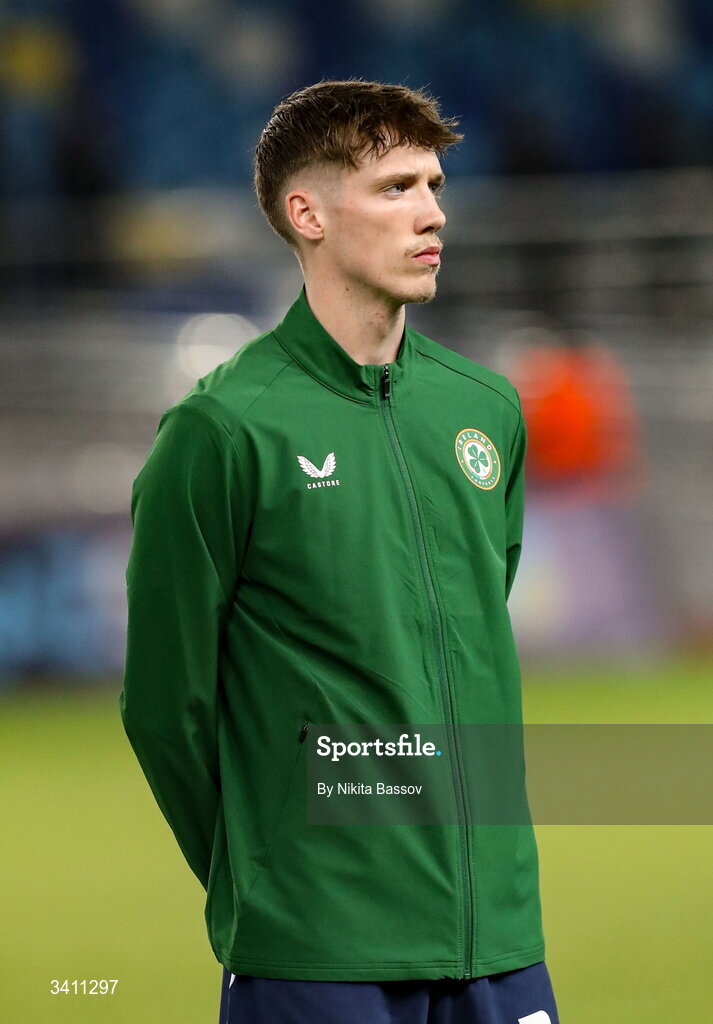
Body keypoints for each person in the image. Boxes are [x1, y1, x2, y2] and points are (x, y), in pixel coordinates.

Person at [120, 80, 560, 1024]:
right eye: (395, 187)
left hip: (500, 940)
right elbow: (165, 704)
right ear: (306, 213)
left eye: (435, 184)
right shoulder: (221, 429)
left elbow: (476, 631)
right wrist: (269, 874)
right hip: (317, 950)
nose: (432, 213)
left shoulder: (485, 409)